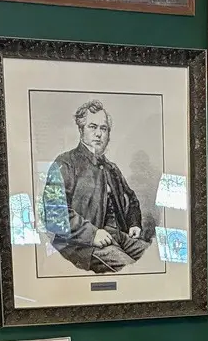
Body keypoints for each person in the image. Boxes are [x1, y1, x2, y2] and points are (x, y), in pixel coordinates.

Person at [42, 99, 149, 275]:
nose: (98, 133)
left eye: (103, 128)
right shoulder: (65, 163)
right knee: (132, 270)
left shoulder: (111, 168)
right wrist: (92, 234)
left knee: (151, 259)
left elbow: (132, 198)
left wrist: (134, 223)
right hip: (81, 245)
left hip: (118, 236)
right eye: (93, 127)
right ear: (81, 129)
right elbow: (55, 214)